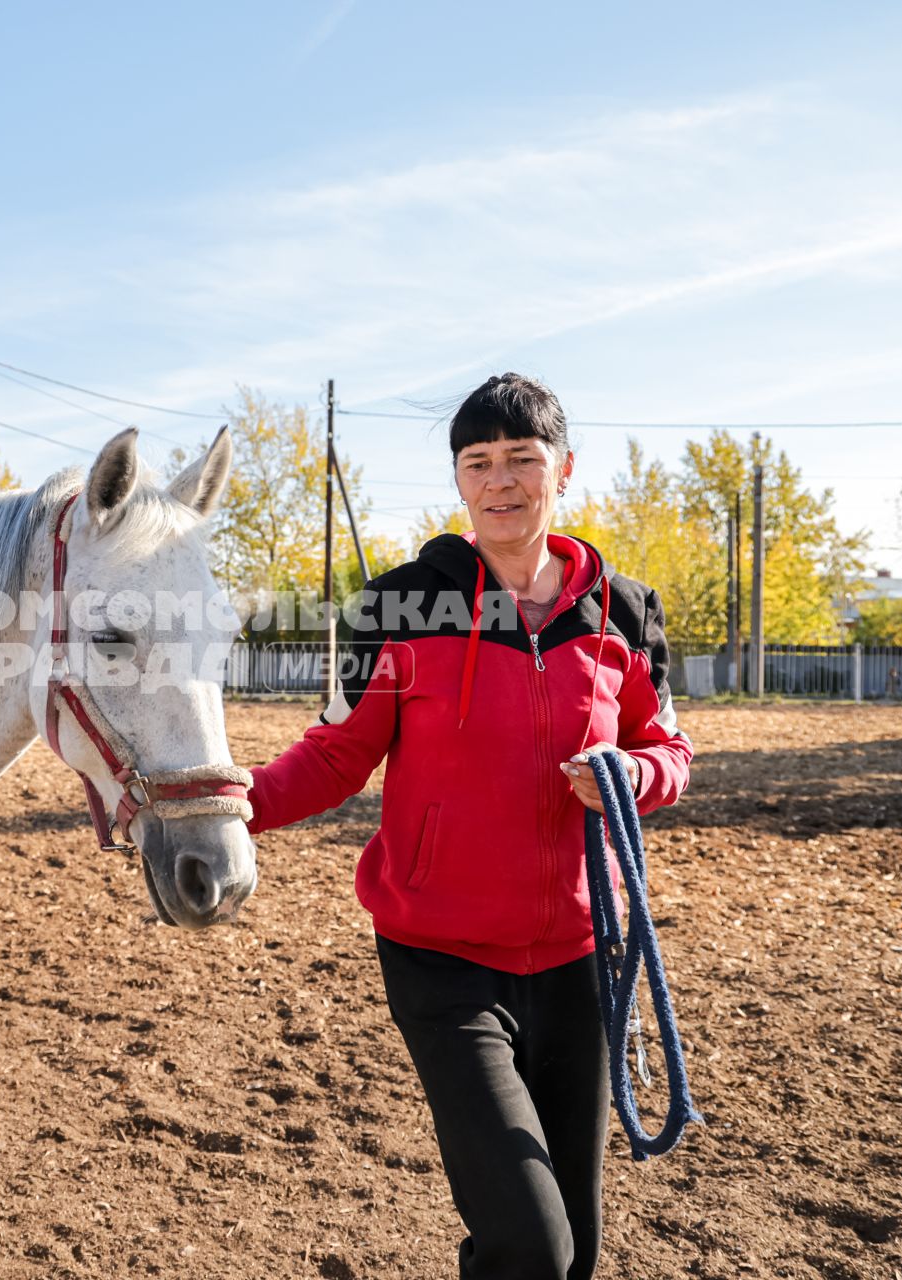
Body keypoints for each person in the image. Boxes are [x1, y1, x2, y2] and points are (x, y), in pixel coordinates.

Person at [245, 373, 693, 1279]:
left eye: (521, 460)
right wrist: (220, 803)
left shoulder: (625, 613)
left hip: (581, 958)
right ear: (458, 482)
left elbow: (669, 751)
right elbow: (333, 758)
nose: (501, 481)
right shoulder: (398, 605)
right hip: (442, 963)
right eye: (479, 463)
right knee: (531, 1243)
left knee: (577, 1251)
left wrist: (632, 775)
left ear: (563, 469)